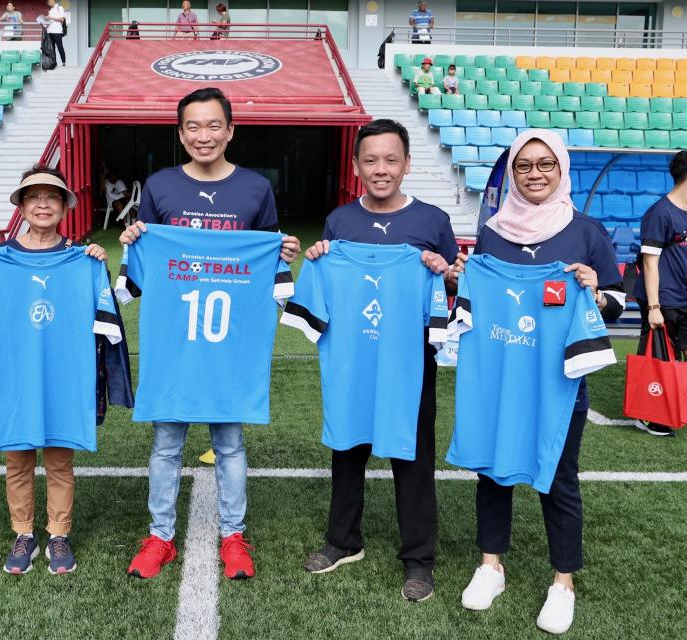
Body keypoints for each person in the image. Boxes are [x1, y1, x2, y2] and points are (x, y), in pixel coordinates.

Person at [118, 87, 300, 581]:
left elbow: (265, 260)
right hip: (175, 336)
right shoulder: (159, 186)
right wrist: (134, 238)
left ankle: (233, 536)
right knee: (166, 442)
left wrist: (280, 253)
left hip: (229, 339)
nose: (204, 136)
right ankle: (159, 537)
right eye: (193, 127)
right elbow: (143, 265)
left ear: (230, 130)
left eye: (213, 125)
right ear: (181, 133)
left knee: (231, 441)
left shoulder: (255, 189)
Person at [450, 129, 625, 635]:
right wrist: (464, 279)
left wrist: (596, 289)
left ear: (562, 168)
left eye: (546, 164)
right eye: (524, 165)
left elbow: (615, 305)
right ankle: (491, 567)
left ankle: (562, 582)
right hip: (501, 375)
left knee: (560, 479)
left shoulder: (587, 232)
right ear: (511, 173)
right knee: (492, 471)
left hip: (559, 382)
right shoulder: (493, 232)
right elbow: (478, 299)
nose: (535, 173)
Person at [299, 119, 456, 603]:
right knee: (347, 449)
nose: (381, 169)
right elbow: (322, 283)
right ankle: (343, 540)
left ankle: (418, 558)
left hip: (409, 362)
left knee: (413, 456)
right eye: (370, 160)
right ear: (356, 166)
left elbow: (453, 290)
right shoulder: (340, 222)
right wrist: (320, 255)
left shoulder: (432, 221)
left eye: (391, 160)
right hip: (353, 360)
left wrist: (444, 273)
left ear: (407, 163)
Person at [0, 166, 108, 576]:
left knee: (61, 460)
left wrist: (96, 261)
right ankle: (23, 532)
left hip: (63, 379)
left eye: (52, 196)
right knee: (18, 459)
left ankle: (59, 535)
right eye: (34, 196)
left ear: (64, 206)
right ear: (22, 206)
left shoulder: (84, 261)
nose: (43, 204)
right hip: (15, 378)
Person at [632, 149, 687, 437]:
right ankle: (649, 414)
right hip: (663, 297)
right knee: (659, 357)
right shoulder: (659, 213)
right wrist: (654, 307)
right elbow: (650, 263)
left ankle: (676, 404)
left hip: (684, 295)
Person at [36, 0, 66, 67]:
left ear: (53, 0)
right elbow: (50, 21)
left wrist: (51, 17)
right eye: (47, 2)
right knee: (52, 49)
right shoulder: (51, 10)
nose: (48, 3)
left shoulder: (59, 8)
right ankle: (54, 63)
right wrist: (44, 22)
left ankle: (63, 62)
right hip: (50, 31)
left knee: (60, 47)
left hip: (57, 31)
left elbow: (61, 19)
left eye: (49, 2)